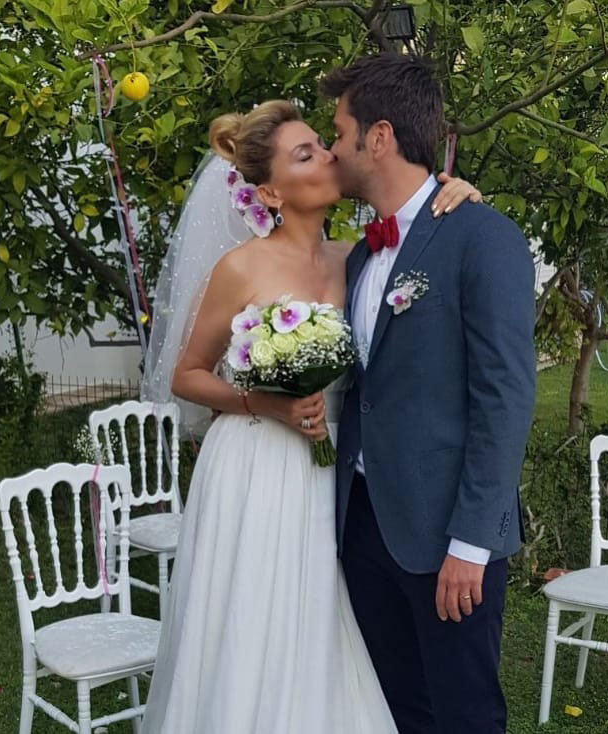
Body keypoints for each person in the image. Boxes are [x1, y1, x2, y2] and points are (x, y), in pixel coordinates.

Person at [138, 97, 481, 733]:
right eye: (305, 155)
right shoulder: (240, 268)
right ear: (270, 192)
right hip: (255, 468)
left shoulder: (357, 259)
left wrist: (456, 196)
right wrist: (264, 403)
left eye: (322, 144)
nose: (326, 156)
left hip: (331, 473)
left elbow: (432, 251)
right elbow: (186, 375)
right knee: (252, 621)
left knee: (320, 620)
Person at [321, 53, 537, 734]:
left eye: (338, 132)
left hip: (447, 536)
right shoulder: (361, 254)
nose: (332, 148)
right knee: (396, 710)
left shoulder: (482, 237)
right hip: (363, 525)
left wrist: (470, 545)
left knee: (464, 714)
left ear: (379, 137)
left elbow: (505, 399)